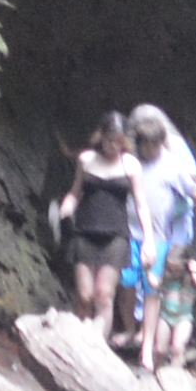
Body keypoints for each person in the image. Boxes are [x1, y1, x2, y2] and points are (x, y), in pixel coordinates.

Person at [118, 103, 196, 370]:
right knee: (135, 278)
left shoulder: (175, 148)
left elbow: (193, 183)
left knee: (165, 280)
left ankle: (167, 339)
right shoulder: (135, 152)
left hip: (175, 224)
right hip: (143, 229)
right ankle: (137, 330)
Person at [47, 125, 137, 334]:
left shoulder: (130, 164)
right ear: (101, 138)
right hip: (86, 232)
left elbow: (140, 203)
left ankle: (98, 347)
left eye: (118, 141)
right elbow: (75, 192)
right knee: (85, 295)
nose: (113, 145)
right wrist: (67, 206)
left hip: (116, 235)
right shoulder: (87, 159)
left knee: (103, 294)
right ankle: (79, 343)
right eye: (109, 140)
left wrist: (149, 240)